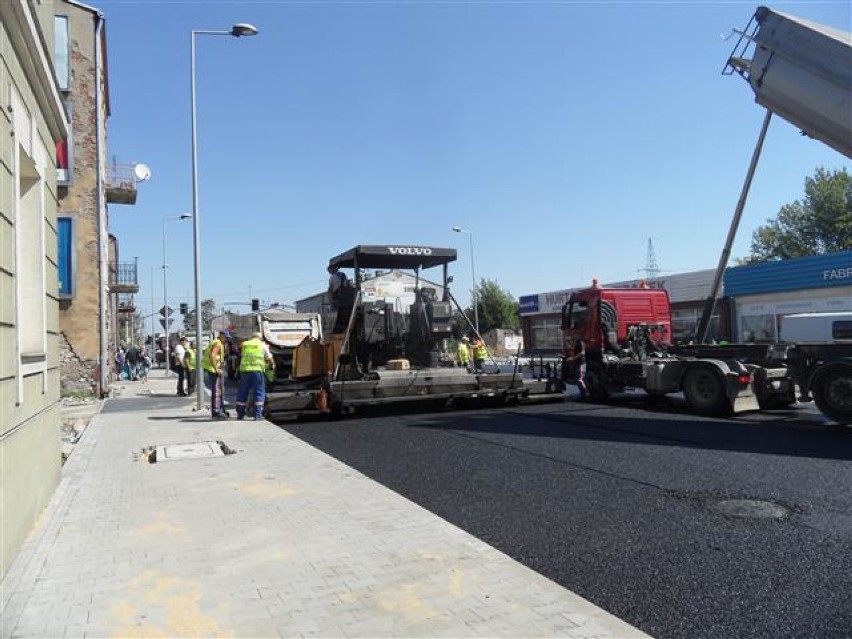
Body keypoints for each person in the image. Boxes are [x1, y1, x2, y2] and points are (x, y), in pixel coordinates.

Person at [235, 331, 275, 421]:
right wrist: (272, 366)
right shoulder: (262, 345)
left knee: (242, 392)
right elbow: (269, 358)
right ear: (260, 338)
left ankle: (240, 415)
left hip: (245, 371)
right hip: (257, 372)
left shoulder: (245, 344)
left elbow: (239, 355)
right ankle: (257, 415)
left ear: (251, 337)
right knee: (259, 392)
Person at [202, 330, 230, 418]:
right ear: (222, 335)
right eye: (226, 337)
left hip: (213, 368)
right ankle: (216, 411)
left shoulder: (217, 342)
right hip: (213, 369)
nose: (227, 339)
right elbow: (212, 355)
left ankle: (219, 409)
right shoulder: (218, 343)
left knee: (219, 390)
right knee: (217, 391)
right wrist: (216, 368)